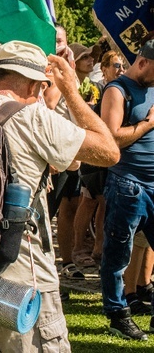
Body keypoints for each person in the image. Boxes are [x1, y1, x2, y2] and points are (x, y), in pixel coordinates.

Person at [0, 41, 118, 351]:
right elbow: (109, 151)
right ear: (35, 84)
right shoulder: (33, 118)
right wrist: (70, 91)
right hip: (22, 280)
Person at [100, 38, 154, 340]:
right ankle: (117, 314)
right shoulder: (116, 90)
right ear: (142, 62)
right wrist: (147, 125)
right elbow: (111, 139)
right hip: (127, 184)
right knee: (117, 256)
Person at [73, 50, 126, 270]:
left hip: (110, 153)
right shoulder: (98, 88)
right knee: (90, 200)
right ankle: (78, 247)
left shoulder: (124, 89)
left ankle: (98, 247)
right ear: (103, 69)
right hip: (93, 151)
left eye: (122, 66)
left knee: (103, 201)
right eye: (115, 65)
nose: (120, 69)